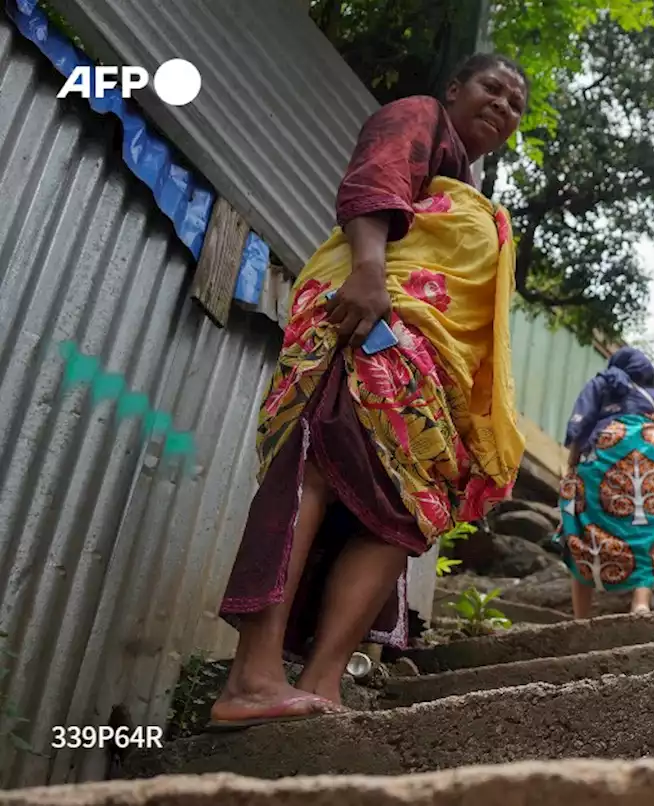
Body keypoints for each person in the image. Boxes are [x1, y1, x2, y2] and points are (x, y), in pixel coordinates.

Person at [209, 53, 529, 729]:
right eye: (491, 89)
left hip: (426, 371)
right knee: (319, 470)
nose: (502, 106)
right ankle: (253, 676)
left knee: (400, 516)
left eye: (516, 104)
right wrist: (370, 272)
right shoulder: (419, 116)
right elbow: (374, 183)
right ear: (453, 90)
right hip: (367, 321)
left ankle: (324, 683)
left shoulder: (471, 189)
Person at [558, 347, 654, 618]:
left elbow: (581, 425)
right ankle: (640, 603)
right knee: (648, 533)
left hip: (608, 451)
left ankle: (581, 617)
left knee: (585, 529)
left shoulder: (602, 383)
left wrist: (571, 466)